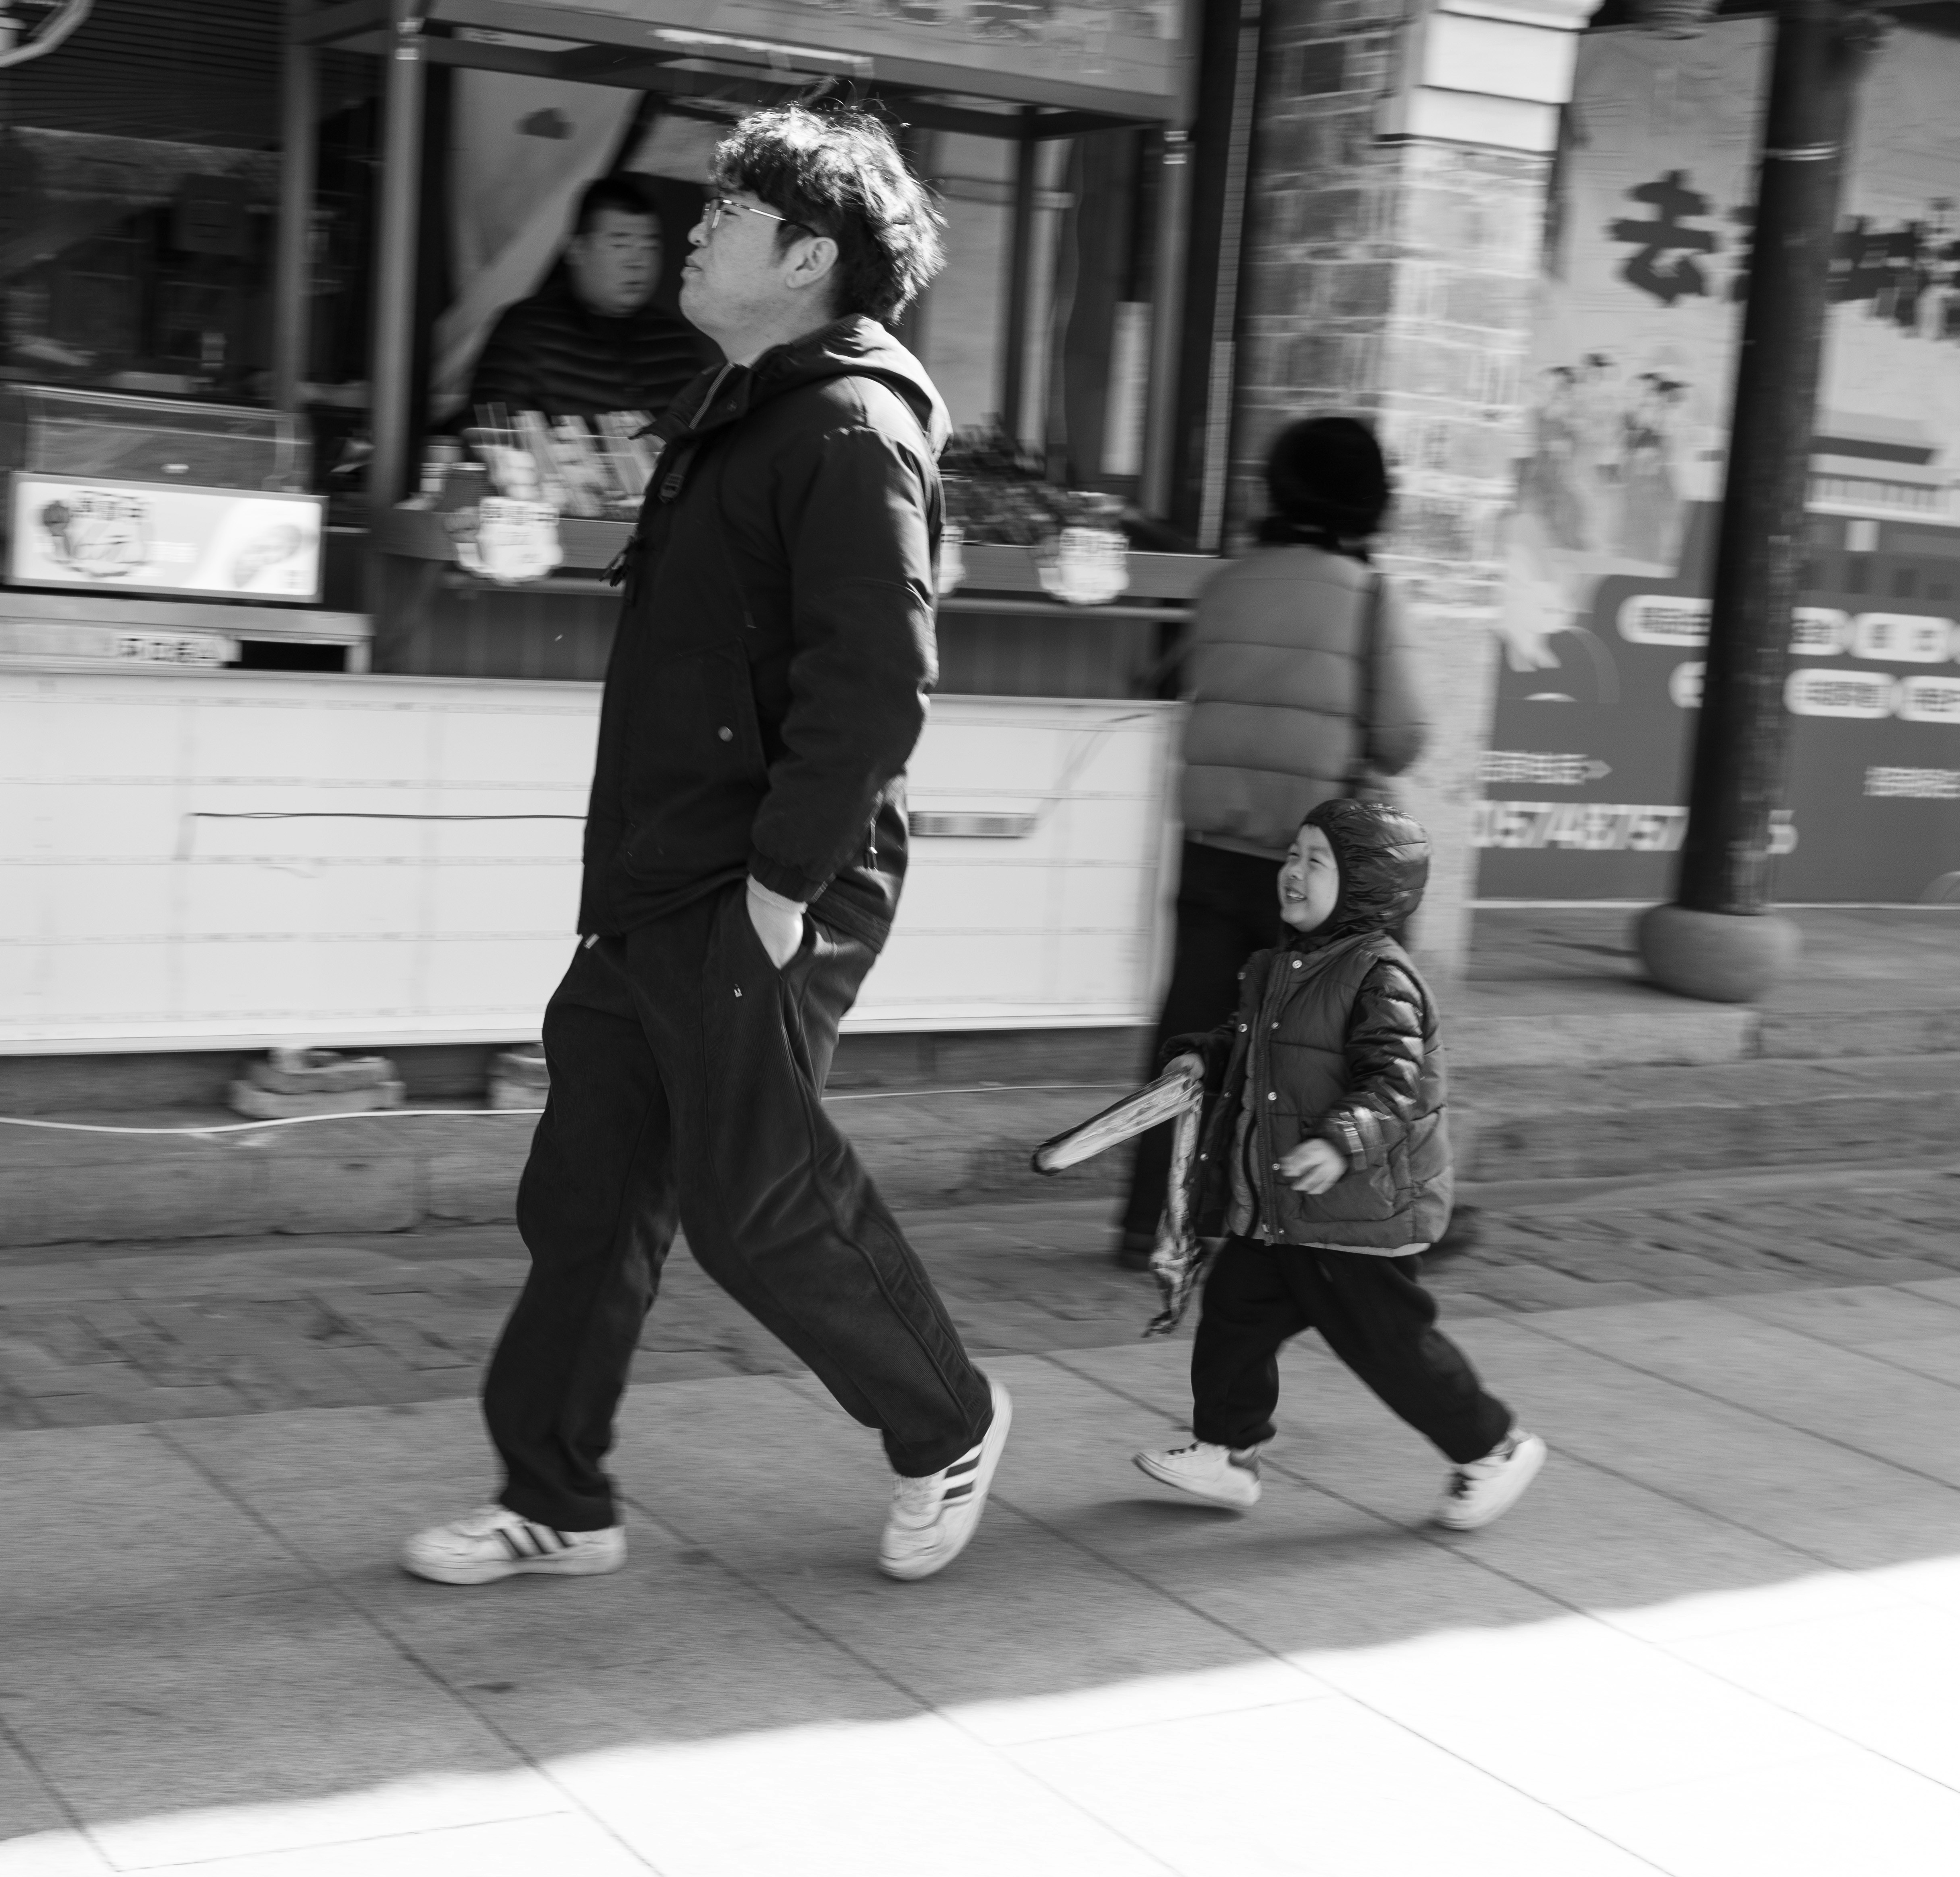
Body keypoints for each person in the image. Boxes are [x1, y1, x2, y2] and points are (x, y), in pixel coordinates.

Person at [402, 105, 1011, 1588]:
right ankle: (558, 1495)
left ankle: (946, 1418)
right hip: (656, 879)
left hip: (758, 881)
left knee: (756, 1201)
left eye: (729, 214)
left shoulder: (852, 428)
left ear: (808, 256)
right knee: (590, 1195)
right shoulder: (743, 401)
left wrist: (780, 890)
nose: (695, 228)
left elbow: (873, 686)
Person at [1129, 799, 1548, 1531]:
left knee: (1389, 1345)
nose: (1291, 872)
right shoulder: (1275, 965)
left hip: (1355, 1211)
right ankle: (1228, 1452)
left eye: (1315, 861)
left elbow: (1394, 1081)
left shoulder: (1379, 976)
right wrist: (1204, 1052)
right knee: (1233, 1315)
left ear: (1362, 885)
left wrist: (1338, 1142)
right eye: (1291, 855)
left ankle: (1491, 1446)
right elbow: (1249, 1041)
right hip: (1287, 1208)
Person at [1116, 415, 1429, 1269]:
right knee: (1355, 1038)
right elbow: (1403, 737)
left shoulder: (1228, 583)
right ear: (1370, 500)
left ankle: (1153, 1220)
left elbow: (1175, 680)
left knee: (1191, 1040)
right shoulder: (1368, 595)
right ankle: (1363, 1222)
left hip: (1214, 845)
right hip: (1316, 869)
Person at [463, 175, 721, 421]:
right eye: (619, 245)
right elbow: (493, 436)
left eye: (650, 246)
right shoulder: (525, 332)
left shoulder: (673, 340)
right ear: (577, 251)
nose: (637, 262)